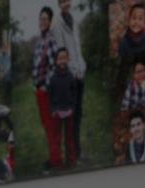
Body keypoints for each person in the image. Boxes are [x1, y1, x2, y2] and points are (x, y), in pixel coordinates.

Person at [53, 0, 87, 160]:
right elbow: (62, 54)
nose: (66, 3)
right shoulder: (57, 25)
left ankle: (77, 153)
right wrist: (73, 71)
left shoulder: (74, 20)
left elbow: (78, 48)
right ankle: (73, 155)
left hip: (80, 75)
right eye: (63, 1)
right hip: (70, 77)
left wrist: (82, 66)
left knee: (78, 115)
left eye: (68, 0)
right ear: (59, 4)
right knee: (71, 118)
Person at [32, 6, 59, 172]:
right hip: (38, 91)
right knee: (46, 125)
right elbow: (35, 66)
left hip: (46, 91)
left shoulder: (51, 40)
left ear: (49, 22)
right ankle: (54, 157)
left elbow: (55, 67)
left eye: (45, 19)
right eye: (40, 19)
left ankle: (54, 161)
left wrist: (45, 85)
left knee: (50, 126)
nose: (42, 22)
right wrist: (33, 84)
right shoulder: (39, 41)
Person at [48, 47, 77, 168]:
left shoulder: (71, 76)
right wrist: (53, 110)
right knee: (57, 138)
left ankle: (71, 160)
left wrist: (72, 107)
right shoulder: (53, 78)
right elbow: (51, 95)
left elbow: (74, 94)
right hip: (57, 112)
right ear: (56, 61)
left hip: (69, 111)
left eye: (64, 58)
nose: (62, 61)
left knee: (69, 137)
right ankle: (57, 162)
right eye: (60, 58)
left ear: (68, 59)